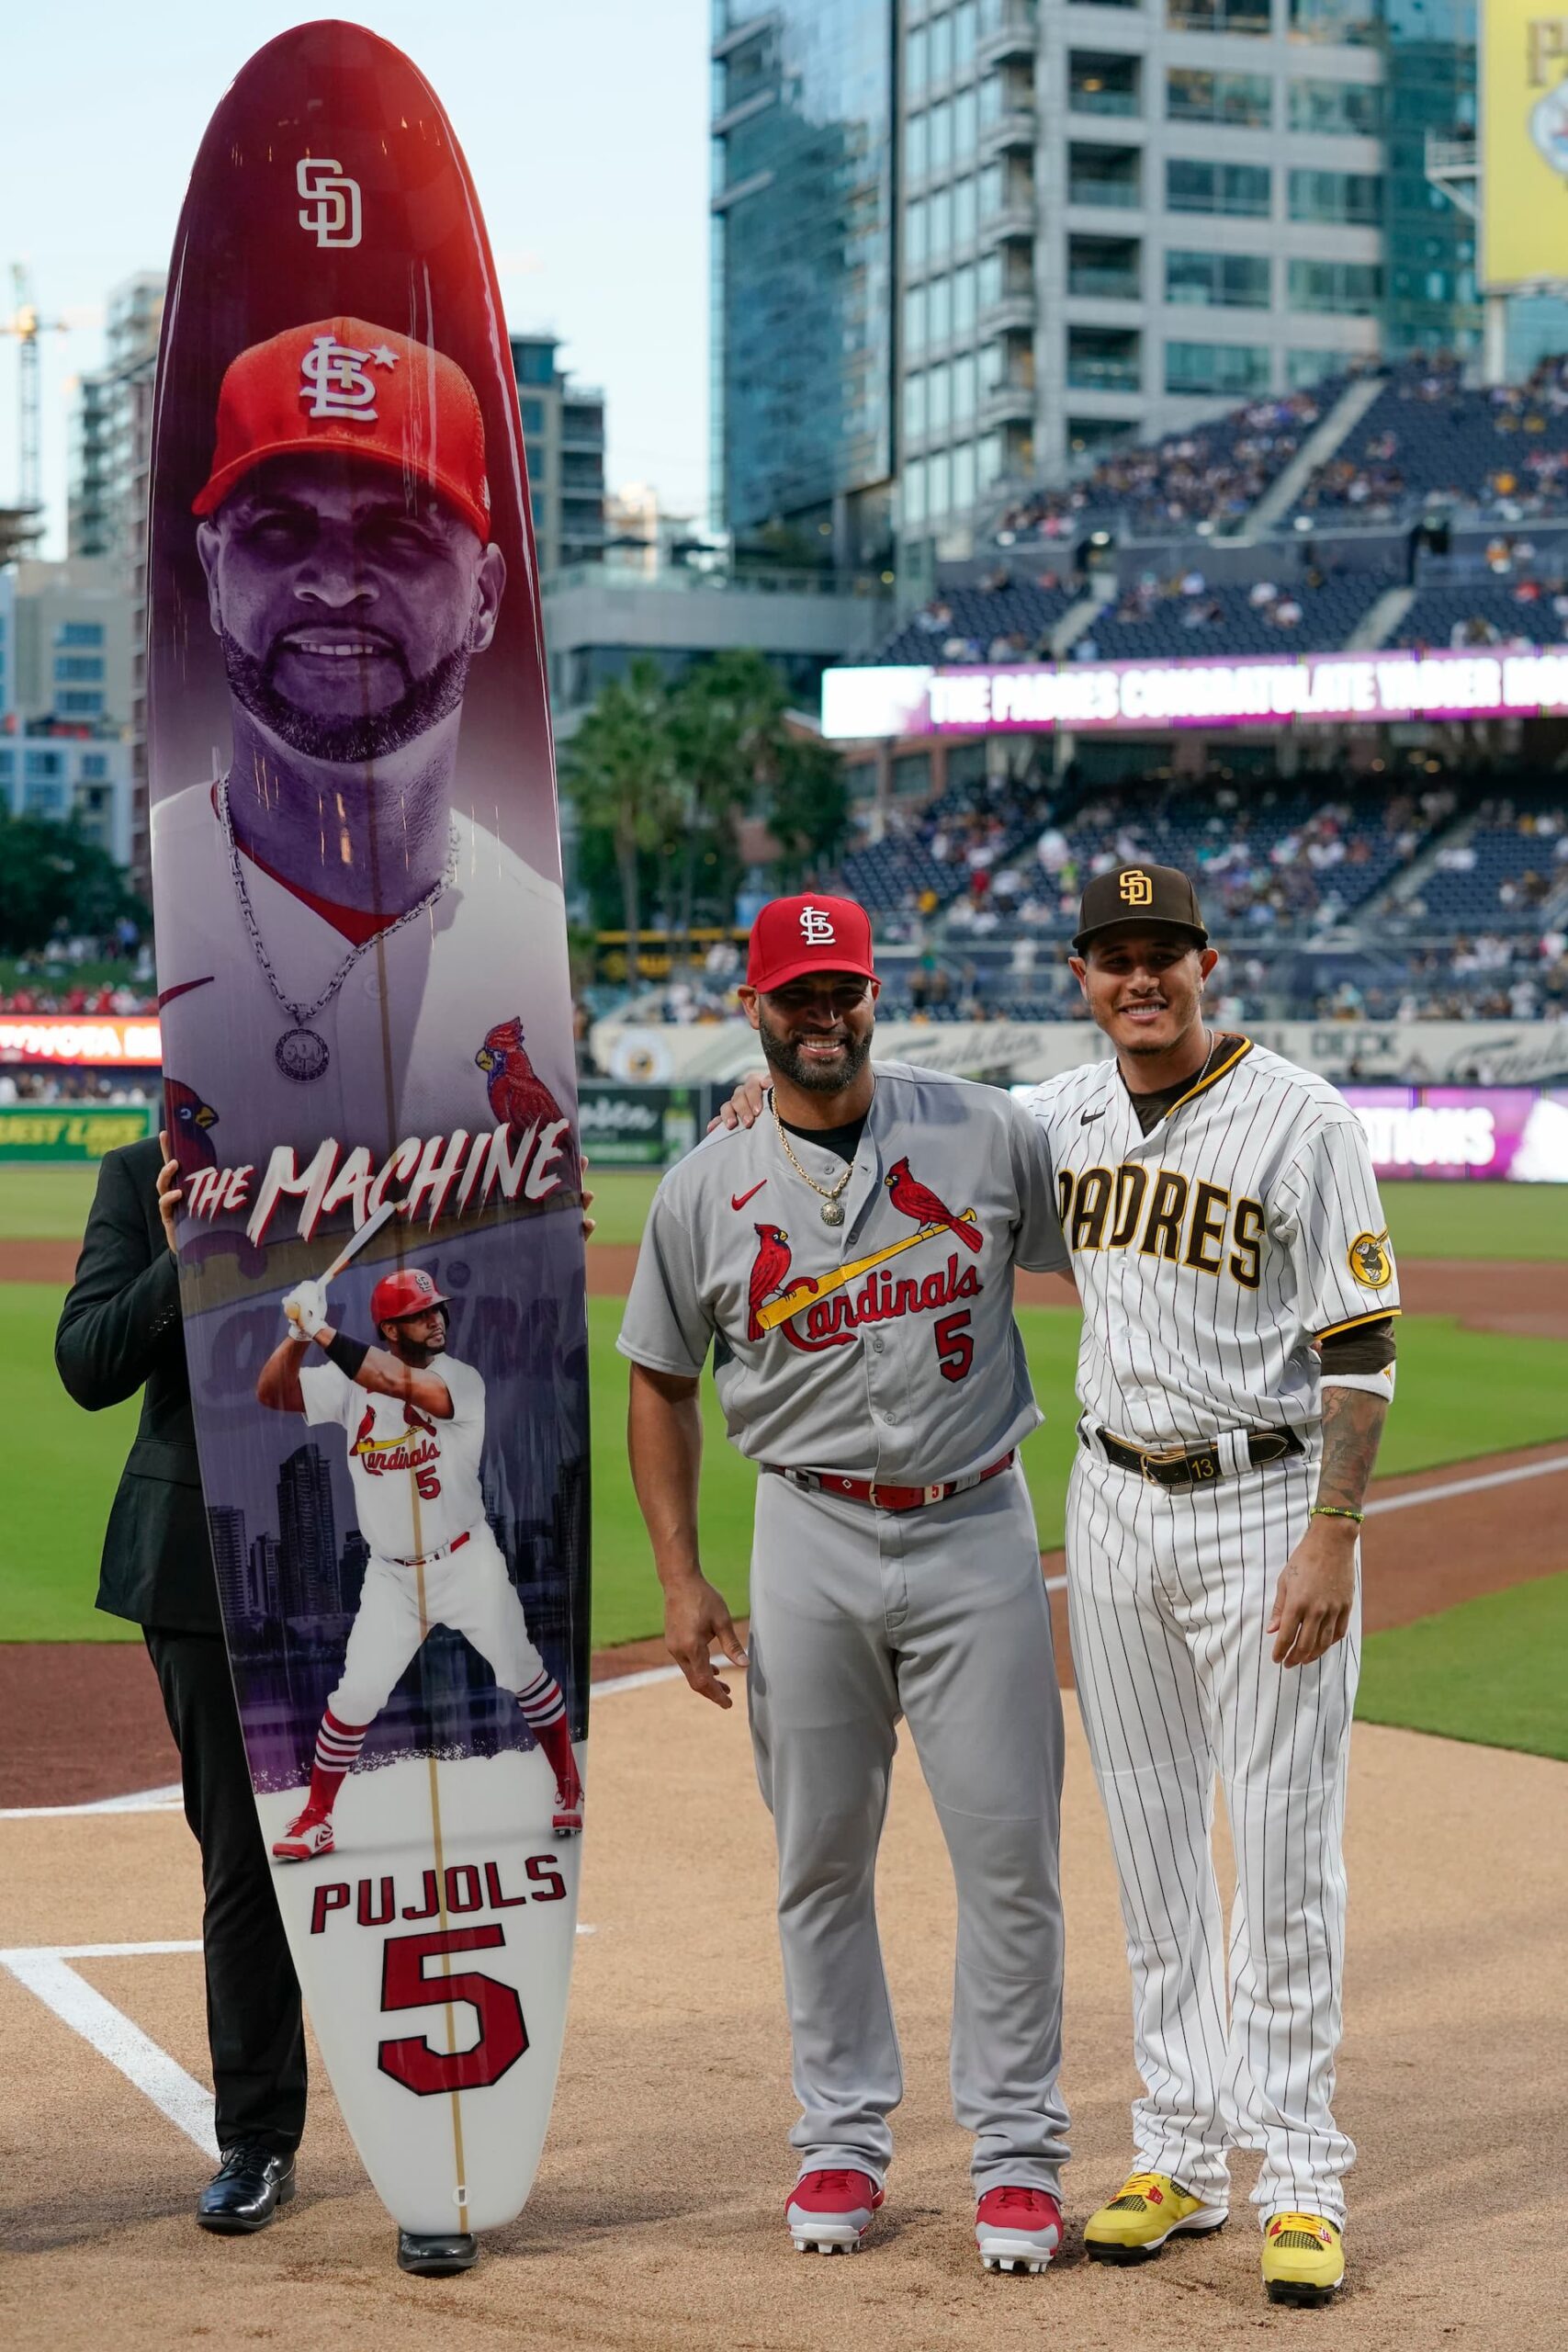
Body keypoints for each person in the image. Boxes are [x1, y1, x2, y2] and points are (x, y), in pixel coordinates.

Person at [618, 893, 1073, 2277]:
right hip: (806, 1531)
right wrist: (682, 1574)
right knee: (817, 1855)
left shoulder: (985, 1132)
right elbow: (659, 1378)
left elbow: (1113, 1255)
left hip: (975, 1521)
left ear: (874, 996)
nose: (823, 1015)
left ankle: (1016, 2152)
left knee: (1011, 1856)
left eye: (843, 991)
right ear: (752, 1010)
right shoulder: (701, 1187)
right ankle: (840, 2137)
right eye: (796, 995)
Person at [1029, 864, 1397, 2309]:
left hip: (1262, 1501)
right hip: (1108, 1504)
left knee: (1283, 1850)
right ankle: (1178, 2153)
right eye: (1113, 956)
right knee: (1151, 1850)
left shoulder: (1302, 1119)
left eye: (1161, 954)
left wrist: (1333, 1530)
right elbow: (909, 1127)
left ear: (1206, 964)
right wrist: (760, 1097)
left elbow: (1358, 1348)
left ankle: (1299, 2174)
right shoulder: (1057, 1118)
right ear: (1079, 976)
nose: (1140, 978)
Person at [151, 315, 574, 1171]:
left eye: (399, 535)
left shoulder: (531, 935)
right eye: (279, 530)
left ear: (485, 598)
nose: (337, 584)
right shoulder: (150, 882)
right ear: (214, 572)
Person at [55, 1131, 305, 2234]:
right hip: (203, 1557)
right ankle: (258, 2137)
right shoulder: (136, 1174)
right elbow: (88, 1365)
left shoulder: (380, 1148)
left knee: (403, 1837)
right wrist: (182, 1251)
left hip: (373, 1538)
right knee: (246, 1858)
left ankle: (429, 2131)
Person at [253, 1264, 583, 1857]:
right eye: (419, 1314)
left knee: (520, 1668)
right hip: (392, 1577)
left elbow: (395, 1382)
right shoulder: (350, 1383)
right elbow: (273, 1393)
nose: (436, 1320)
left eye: (436, 1309)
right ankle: (316, 1818)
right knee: (355, 1696)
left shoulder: (460, 1380)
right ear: (390, 1329)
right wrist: (297, 1338)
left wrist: (321, 1330)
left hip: (465, 1561)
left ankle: (567, 1783)